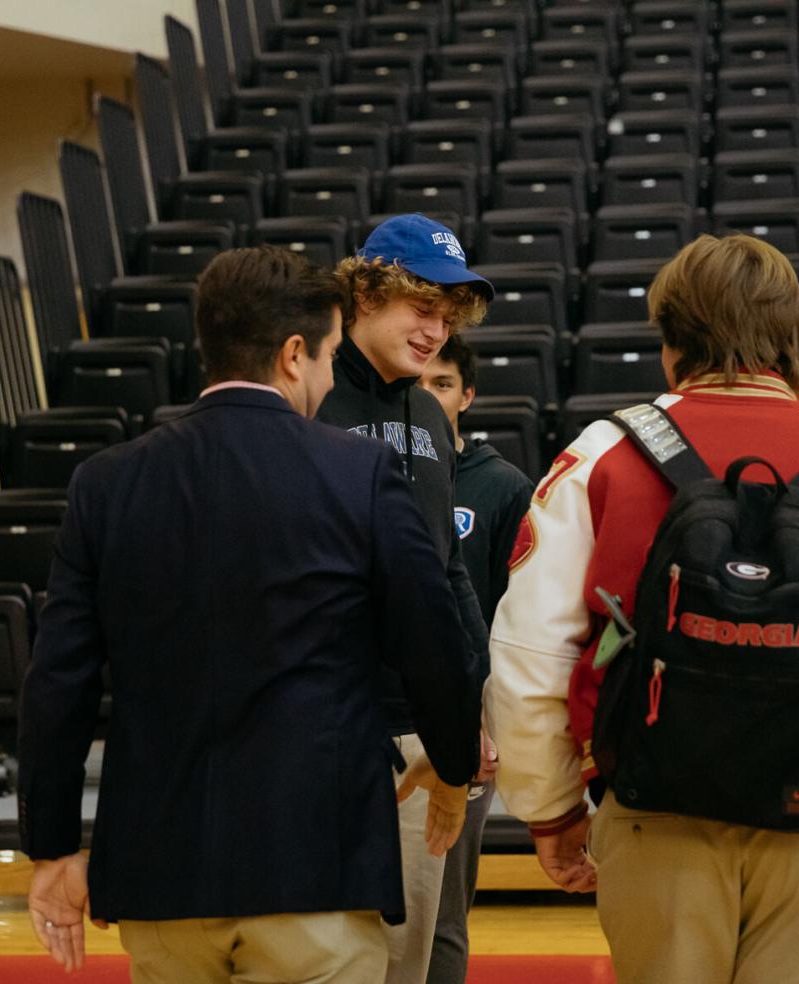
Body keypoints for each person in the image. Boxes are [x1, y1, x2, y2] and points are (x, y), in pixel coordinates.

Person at [485, 234, 799, 984]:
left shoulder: (602, 454)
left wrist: (549, 809)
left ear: (670, 339)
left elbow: (530, 656)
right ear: (790, 336)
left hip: (655, 817)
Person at [16, 246, 481, 983]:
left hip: (160, 876)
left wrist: (50, 849)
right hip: (315, 869)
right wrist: (456, 769)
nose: (330, 376)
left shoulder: (106, 483)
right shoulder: (359, 473)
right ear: (294, 354)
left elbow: (57, 685)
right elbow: (432, 641)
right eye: (328, 355)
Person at [317, 213, 494, 984]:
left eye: (448, 317)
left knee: (408, 964)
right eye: (421, 308)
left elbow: (449, 571)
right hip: (324, 735)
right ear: (365, 294)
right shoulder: (313, 401)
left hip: (421, 740)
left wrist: (475, 698)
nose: (435, 331)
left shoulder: (429, 412)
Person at [417, 334, 534, 984]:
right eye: (419, 381)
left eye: (442, 383)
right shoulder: (378, 468)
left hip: (470, 721)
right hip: (385, 711)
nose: (428, 394)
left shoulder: (504, 487)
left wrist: (486, 716)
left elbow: (512, 619)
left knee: (441, 913)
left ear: (467, 394)